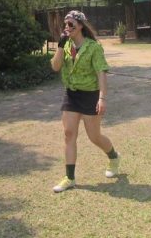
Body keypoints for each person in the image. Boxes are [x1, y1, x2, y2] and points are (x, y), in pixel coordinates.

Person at [50, 10, 120, 193]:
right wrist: (60, 46)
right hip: (72, 94)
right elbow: (55, 67)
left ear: (80, 25)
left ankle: (113, 157)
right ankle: (70, 178)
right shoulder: (66, 45)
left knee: (94, 137)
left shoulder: (93, 47)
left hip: (90, 95)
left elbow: (101, 73)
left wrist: (102, 98)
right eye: (65, 24)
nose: (67, 27)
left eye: (71, 24)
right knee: (69, 134)